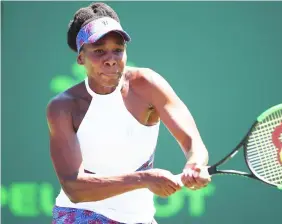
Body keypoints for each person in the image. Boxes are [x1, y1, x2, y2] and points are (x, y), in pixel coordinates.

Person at [46, 2, 211, 224]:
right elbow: (74, 188)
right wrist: (143, 179)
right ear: (80, 58)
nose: (111, 58)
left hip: (141, 219)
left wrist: (195, 164)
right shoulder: (62, 107)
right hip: (80, 216)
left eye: (118, 49)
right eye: (99, 51)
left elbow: (193, 142)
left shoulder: (147, 84)